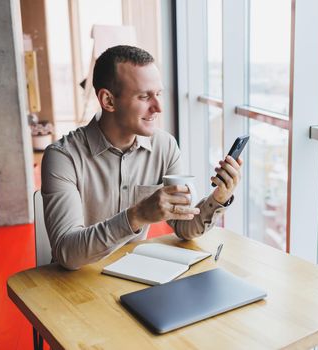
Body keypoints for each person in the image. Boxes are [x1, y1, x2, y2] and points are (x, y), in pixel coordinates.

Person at [41, 45, 242, 270]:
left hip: (133, 274)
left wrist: (219, 197)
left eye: (158, 94)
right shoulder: (62, 157)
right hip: (73, 288)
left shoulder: (164, 146)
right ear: (108, 101)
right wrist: (136, 215)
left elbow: (184, 227)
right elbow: (68, 254)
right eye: (144, 96)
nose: (158, 107)